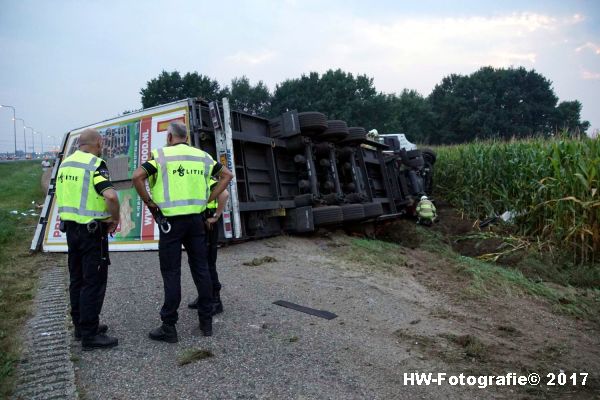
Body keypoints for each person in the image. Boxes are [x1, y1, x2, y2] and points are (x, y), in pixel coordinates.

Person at [132, 122, 233, 341]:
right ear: (185, 137)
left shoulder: (159, 156)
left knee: (171, 273)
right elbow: (227, 175)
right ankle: (206, 323)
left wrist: (150, 203)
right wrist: (209, 199)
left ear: (169, 137)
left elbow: (137, 176)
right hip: (196, 221)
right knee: (201, 269)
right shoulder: (202, 157)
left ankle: (169, 327)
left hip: (170, 223)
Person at [55, 128, 120, 350]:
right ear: (98, 143)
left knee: (77, 279)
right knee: (93, 281)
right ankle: (90, 336)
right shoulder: (95, 165)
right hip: (92, 233)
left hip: (71, 231)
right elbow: (110, 195)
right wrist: (115, 218)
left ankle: (80, 327)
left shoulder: (65, 165)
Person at [188, 179, 229, 314]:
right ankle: (204, 297)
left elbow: (225, 194)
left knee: (208, 263)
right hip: (201, 222)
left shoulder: (208, 180)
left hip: (208, 222)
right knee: (199, 263)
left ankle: (216, 301)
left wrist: (216, 216)